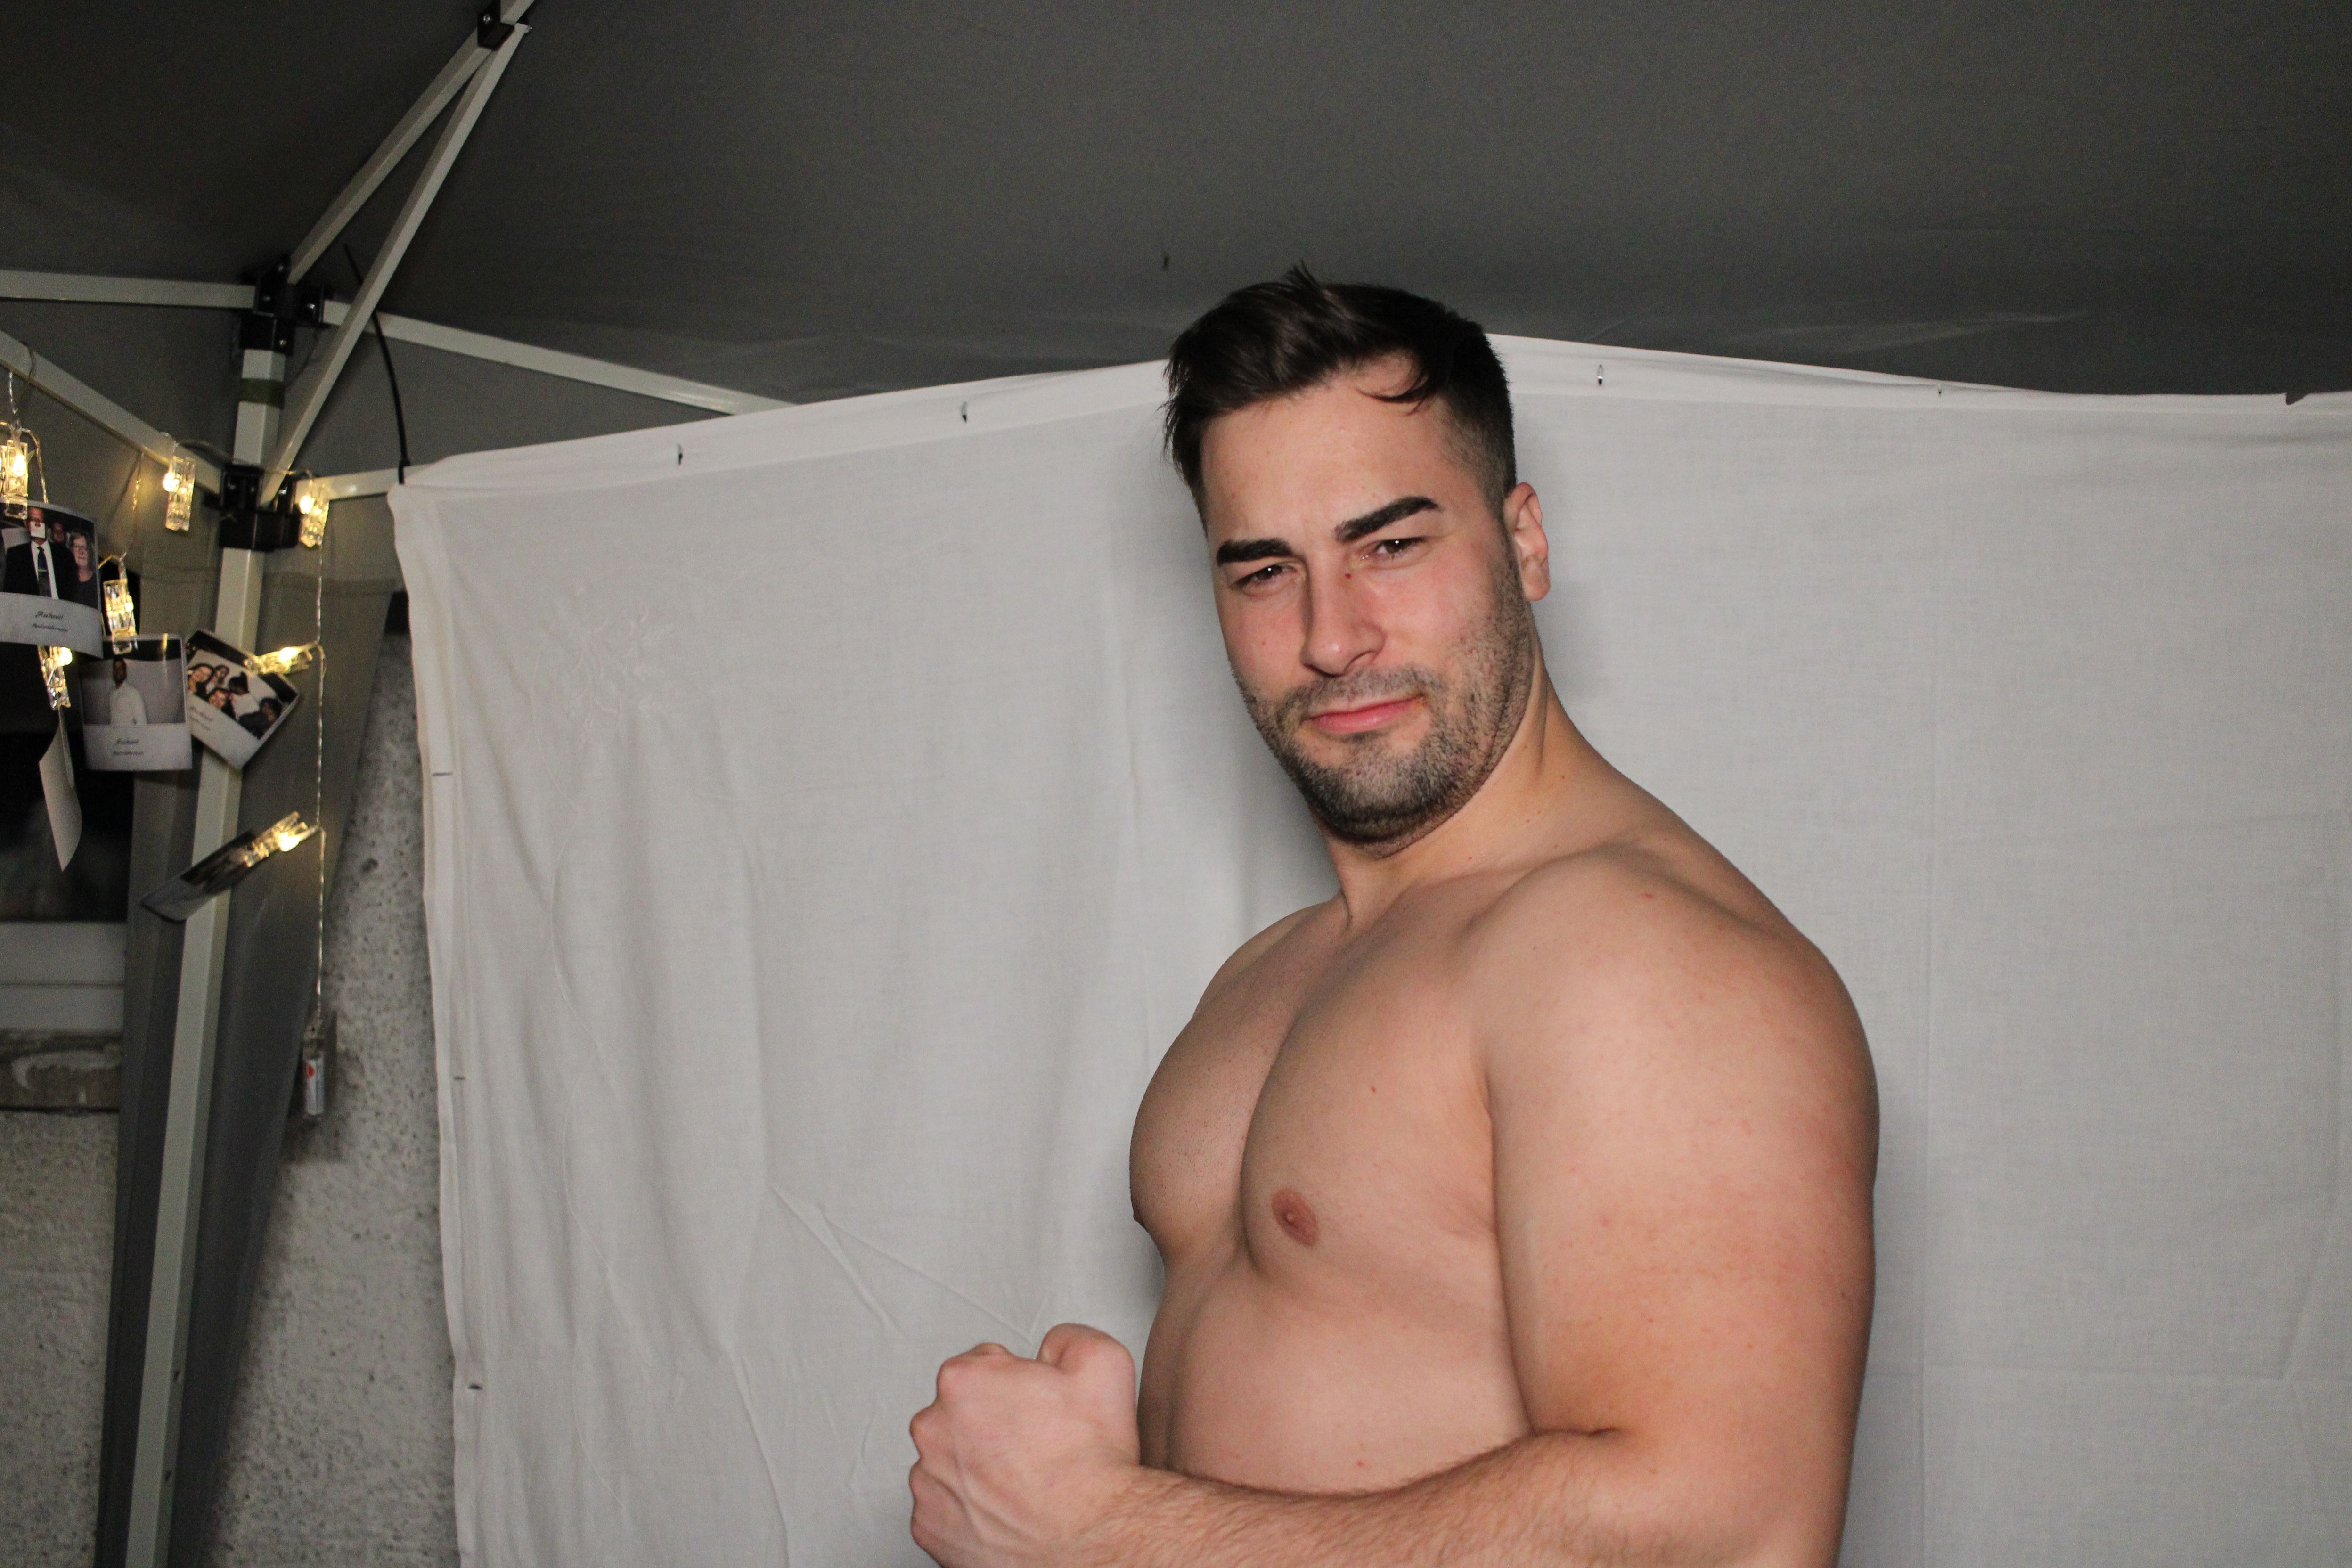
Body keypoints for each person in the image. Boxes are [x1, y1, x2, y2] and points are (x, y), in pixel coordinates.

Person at [909, 270, 1879, 1568]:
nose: (1330, 636)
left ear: (1524, 542)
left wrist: (1097, 1527)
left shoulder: (1634, 955)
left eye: (1391, 545)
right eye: (1266, 571)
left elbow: (1731, 1531)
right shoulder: (1271, 973)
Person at [106, 658, 147, 726]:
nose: (118, 671)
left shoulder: (134, 693)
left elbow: (142, 722)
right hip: (113, 732)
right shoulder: (112, 694)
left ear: (125, 672)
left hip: (128, 733)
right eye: (116, 668)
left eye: (121, 668)